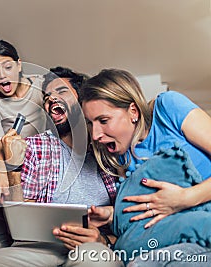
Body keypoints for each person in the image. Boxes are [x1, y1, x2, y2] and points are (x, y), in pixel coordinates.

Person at [0, 67, 122, 267]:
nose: (51, 100)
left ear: (83, 99)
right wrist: (13, 167)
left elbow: (126, 219)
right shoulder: (35, 146)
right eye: (47, 97)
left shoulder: (109, 146)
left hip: (92, 243)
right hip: (41, 246)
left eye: (61, 91)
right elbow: (19, 220)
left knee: (93, 260)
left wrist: (106, 241)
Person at [80, 68, 211, 266]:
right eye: (90, 123)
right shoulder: (115, 156)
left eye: (103, 120)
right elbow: (145, 218)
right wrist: (111, 216)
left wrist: (184, 198)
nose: (96, 134)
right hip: (171, 239)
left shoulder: (167, 108)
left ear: (133, 111)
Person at [0, 39, 47, 203]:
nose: (2, 75)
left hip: (45, 159)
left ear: (19, 65)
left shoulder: (42, 84)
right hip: (16, 167)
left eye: (8, 67)